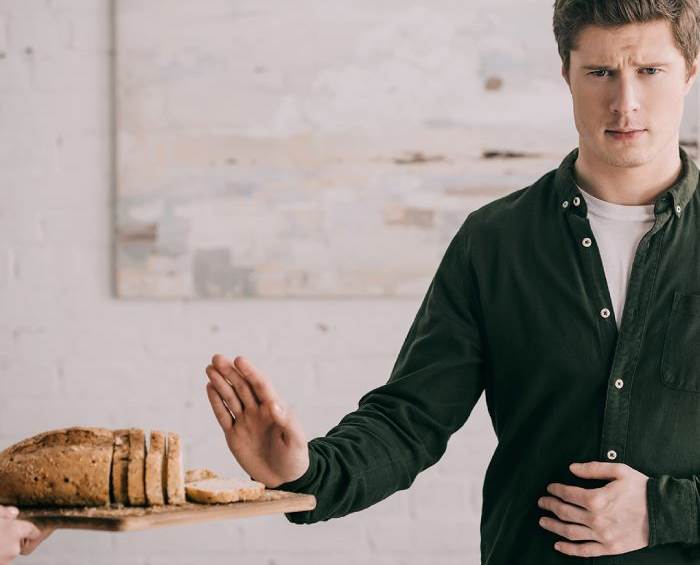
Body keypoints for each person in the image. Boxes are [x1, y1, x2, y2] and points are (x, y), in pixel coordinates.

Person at [204, 0, 700, 562]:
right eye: (601, 72)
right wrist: (303, 471)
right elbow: (410, 421)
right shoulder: (494, 241)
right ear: (567, 73)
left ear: (689, 71)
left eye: (650, 71)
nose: (625, 101)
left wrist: (665, 511)